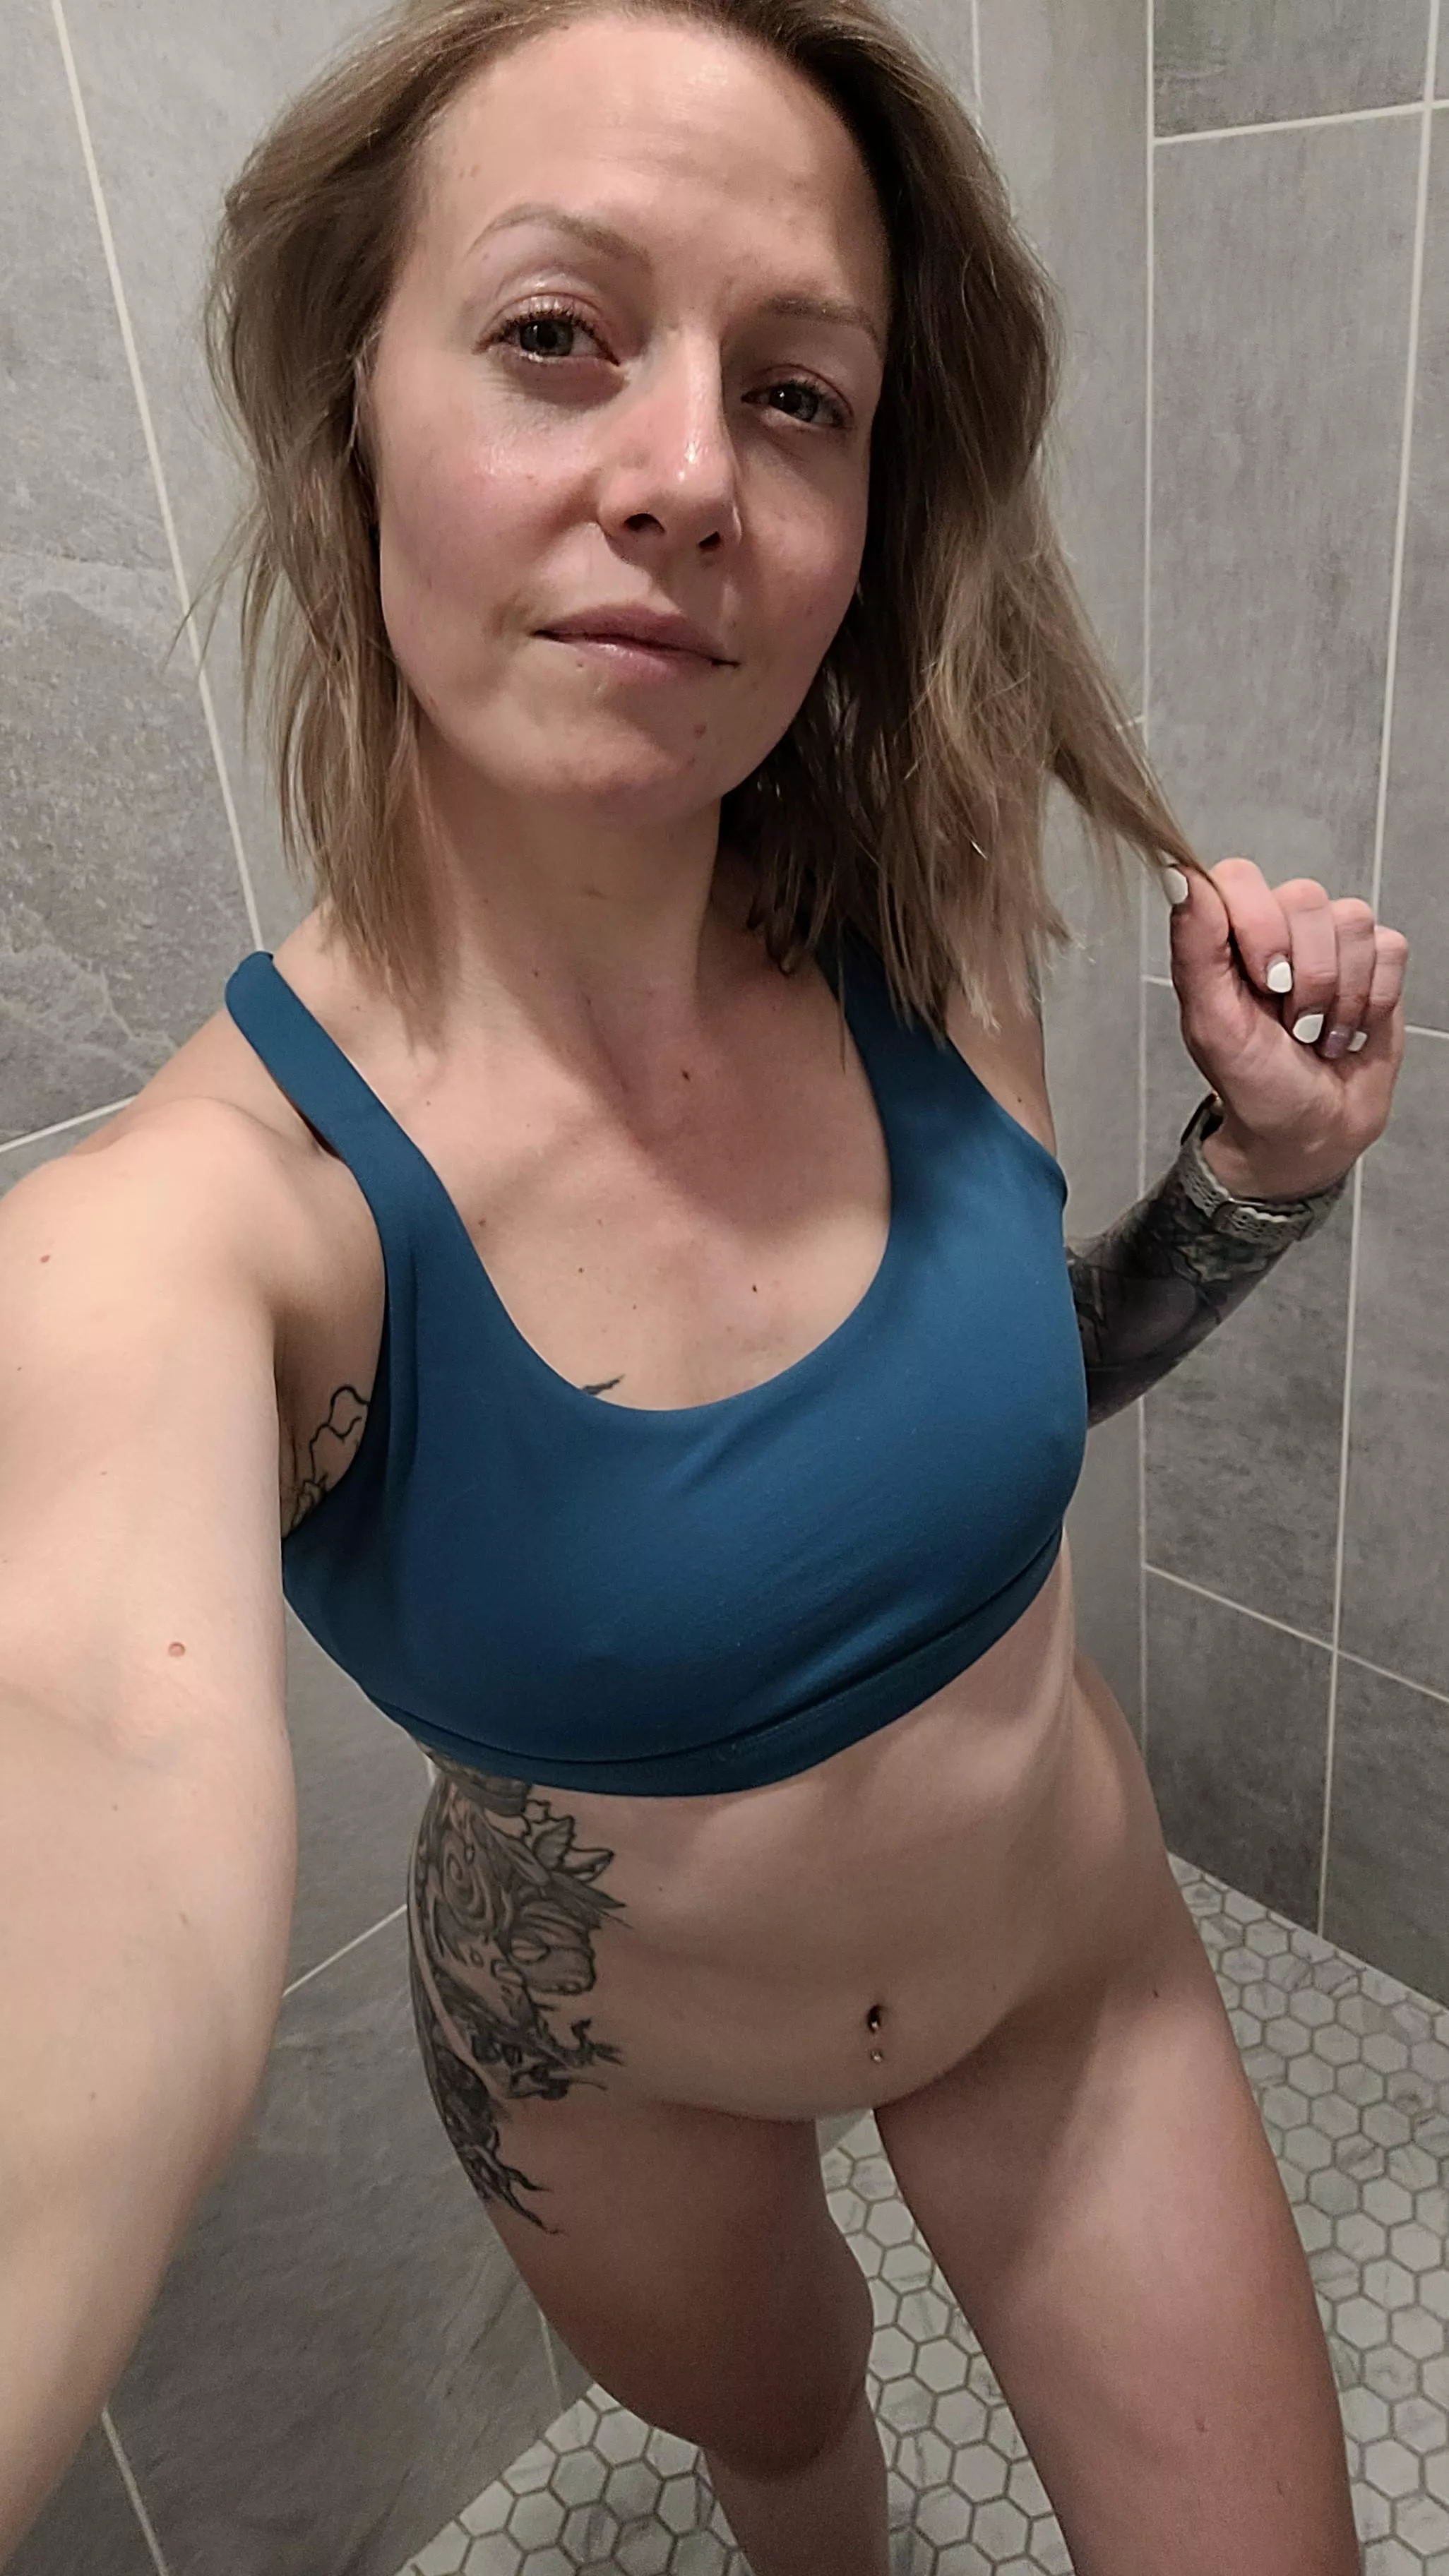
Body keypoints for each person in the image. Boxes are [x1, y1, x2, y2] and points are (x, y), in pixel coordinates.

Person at [0, 0, 1409, 2567]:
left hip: (1058, 1968)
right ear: (350, 408)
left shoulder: (931, 908)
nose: (683, 474)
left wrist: (1251, 1183)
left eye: (795, 394)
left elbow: (968, 1399)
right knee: (788, 2447)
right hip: (606, 2074)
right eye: (557, 333)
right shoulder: (200, 1228)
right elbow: (83, 1767)